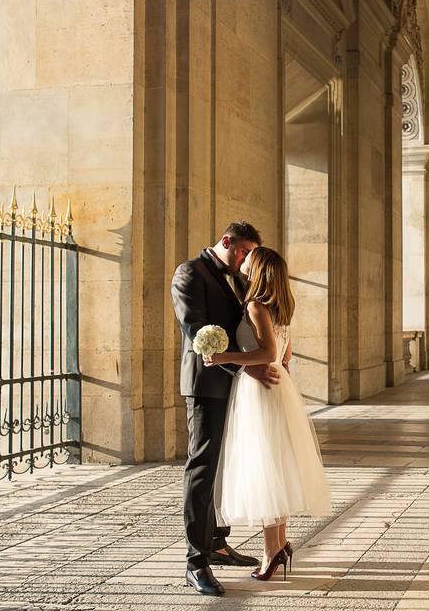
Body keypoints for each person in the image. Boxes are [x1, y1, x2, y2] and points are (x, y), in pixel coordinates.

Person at [205, 247, 332, 583]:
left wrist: (223, 357)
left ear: (258, 268)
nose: (243, 260)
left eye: (249, 258)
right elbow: (286, 355)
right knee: (275, 466)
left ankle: (270, 551)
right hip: (278, 389)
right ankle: (278, 544)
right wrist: (274, 368)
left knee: (263, 468)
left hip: (259, 394)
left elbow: (269, 352)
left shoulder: (255, 305)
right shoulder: (281, 308)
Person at [170, 222, 280, 596]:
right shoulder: (189, 272)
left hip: (236, 387)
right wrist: (247, 365)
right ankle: (195, 561)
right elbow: (196, 331)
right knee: (201, 467)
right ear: (227, 241)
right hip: (206, 385)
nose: (249, 261)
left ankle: (217, 542)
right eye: (246, 252)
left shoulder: (237, 278)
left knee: (222, 466)